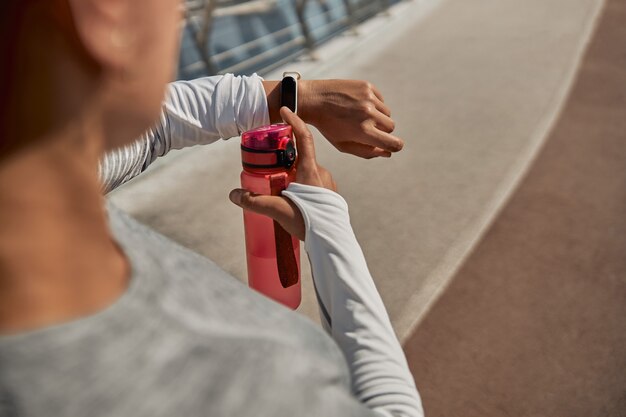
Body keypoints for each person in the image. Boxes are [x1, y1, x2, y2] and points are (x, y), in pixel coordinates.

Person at [0, 1, 424, 416]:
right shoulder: (236, 383)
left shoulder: (41, 177)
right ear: (109, 14)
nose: (180, 12)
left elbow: (155, 128)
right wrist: (327, 221)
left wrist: (296, 95)